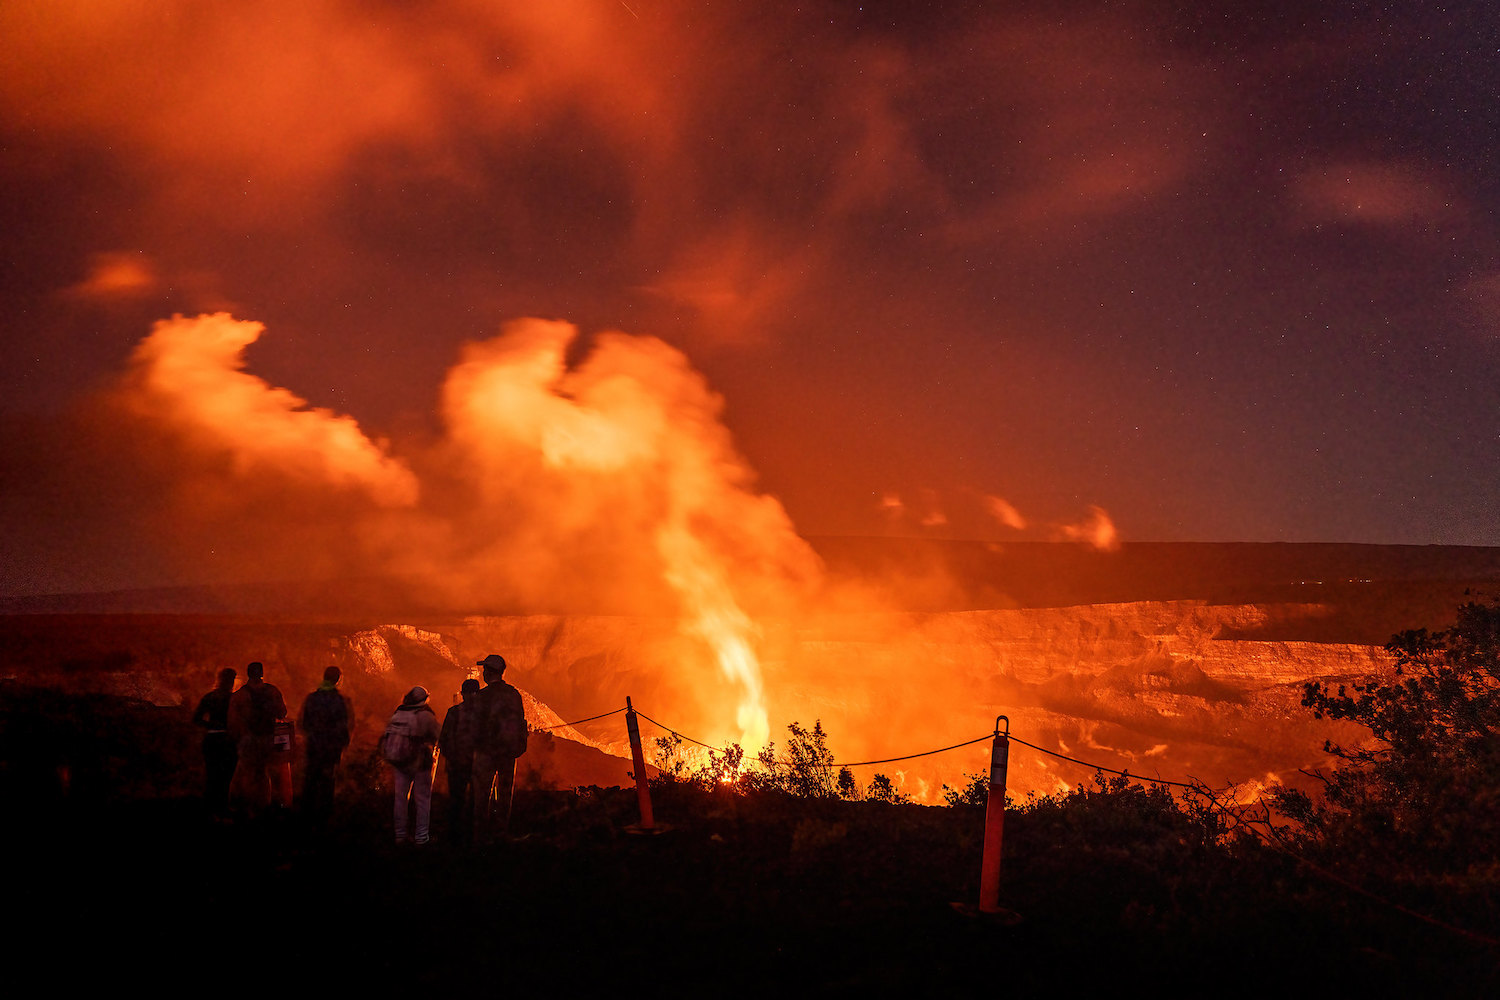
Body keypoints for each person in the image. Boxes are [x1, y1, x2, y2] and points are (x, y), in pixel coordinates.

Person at [471, 654, 528, 845]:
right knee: (504, 794)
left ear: (488, 672)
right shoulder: (513, 694)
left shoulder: (482, 697)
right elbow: (520, 723)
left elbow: (474, 725)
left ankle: (480, 836)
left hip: (486, 753)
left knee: (481, 794)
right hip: (508, 752)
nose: (483, 673)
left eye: (484, 670)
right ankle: (501, 833)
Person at [228, 661, 290, 818]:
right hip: (268, 739)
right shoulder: (272, 692)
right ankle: (263, 805)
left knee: (248, 773)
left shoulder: (240, 695)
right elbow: (282, 713)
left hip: (248, 739)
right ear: (262, 673)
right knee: (263, 772)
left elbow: (232, 721)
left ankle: (249, 808)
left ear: (248, 673)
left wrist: (237, 738)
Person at [383, 686, 440, 846]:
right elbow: (439, 735)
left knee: (400, 798)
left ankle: (400, 836)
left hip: (400, 761)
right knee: (422, 799)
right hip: (420, 763)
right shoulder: (426, 716)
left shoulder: (398, 714)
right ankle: (421, 837)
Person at [298, 665, 352, 832]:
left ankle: (305, 816)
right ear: (338, 679)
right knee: (328, 779)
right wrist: (343, 743)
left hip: (314, 744)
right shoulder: (342, 701)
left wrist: (311, 735)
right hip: (332, 747)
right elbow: (347, 725)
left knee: (311, 779)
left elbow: (302, 722)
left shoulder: (311, 698)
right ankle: (324, 817)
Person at [439, 678, 481, 846]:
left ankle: (454, 837)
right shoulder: (484, 715)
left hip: (458, 765)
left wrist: (451, 758)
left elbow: (444, 739)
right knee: (475, 802)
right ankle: (472, 838)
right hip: (476, 766)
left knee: (457, 802)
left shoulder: (453, 712)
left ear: (462, 694)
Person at [192, 667, 238, 816]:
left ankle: (209, 808)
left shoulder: (209, 697)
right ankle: (222, 807)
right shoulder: (233, 699)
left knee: (213, 775)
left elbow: (196, 719)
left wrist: (210, 725)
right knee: (225, 777)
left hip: (211, 739)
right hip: (227, 741)